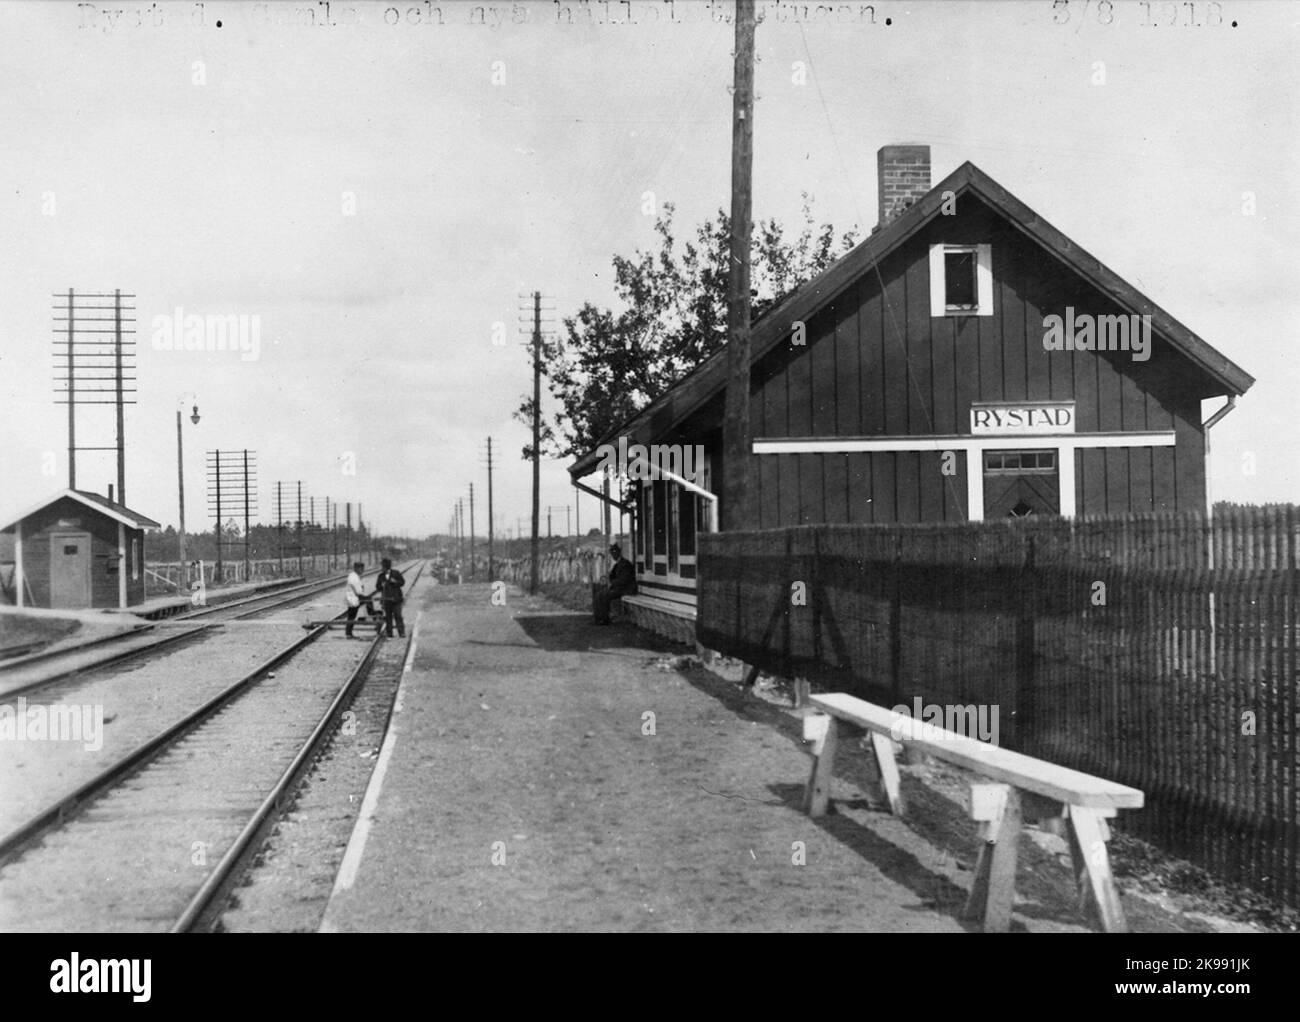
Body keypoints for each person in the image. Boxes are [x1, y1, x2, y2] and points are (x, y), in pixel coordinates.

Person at [595, 544, 636, 624]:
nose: (613, 556)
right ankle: (598, 618)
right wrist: (609, 577)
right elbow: (612, 576)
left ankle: (605, 619)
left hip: (626, 589)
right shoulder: (617, 564)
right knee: (599, 595)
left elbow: (624, 580)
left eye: (614, 553)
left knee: (605, 596)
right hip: (619, 588)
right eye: (612, 554)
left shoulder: (625, 564)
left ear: (619, 553)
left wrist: (613, 582)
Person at [374, 558, 406, 638]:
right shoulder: (380, 576)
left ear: (386, 567)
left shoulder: (396, 573)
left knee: (398, 616)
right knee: (388, 617)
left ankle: (401, 633)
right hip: (386, 600)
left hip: (396, 599)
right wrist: (381, 585)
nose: (381, 568)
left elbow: (402, 582)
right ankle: (389, 634)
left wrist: (395, 582)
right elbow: (377, 587)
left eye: (382, 566)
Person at [343, 561, 373, 639]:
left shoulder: (353, 575)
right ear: (357, 568)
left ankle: (348, 633)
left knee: (351, 616)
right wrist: (364, 594)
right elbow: (359, 591)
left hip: (352, 598)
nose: (363, 571)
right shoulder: (354, 578)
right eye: (361, 569)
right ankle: (372, 614)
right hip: (353, 598)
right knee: (368, 599)